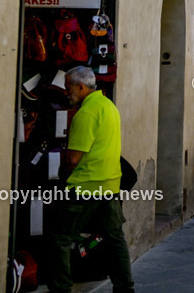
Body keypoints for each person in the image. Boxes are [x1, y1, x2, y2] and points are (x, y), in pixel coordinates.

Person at [46, 66, 133, 293]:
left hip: (84, 187)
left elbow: (73, 158)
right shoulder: (108, 106)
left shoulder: (86, 113)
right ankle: (125, 288)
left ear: (80, 87)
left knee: (60, 239)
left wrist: (62, 179)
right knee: (114, 239)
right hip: (110, 184)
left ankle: (62, 290)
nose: (66, 93)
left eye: (68, 88)